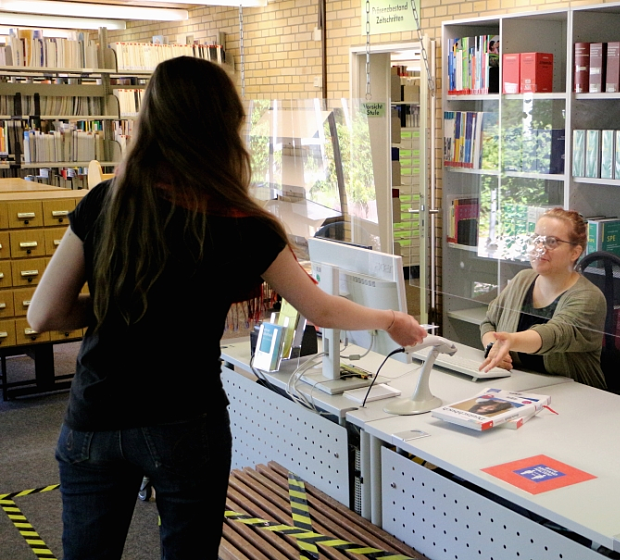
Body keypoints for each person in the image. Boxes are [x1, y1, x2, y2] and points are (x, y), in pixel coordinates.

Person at [27, 56, 426, 560]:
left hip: (96, 414)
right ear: (225, 128)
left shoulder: (107, 200)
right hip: (186, 420)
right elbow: (320, 310)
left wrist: (126, 301)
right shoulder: (243, 223)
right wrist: (390, 319)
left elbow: (43, 315)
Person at [479, 208, 607, 389]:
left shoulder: (589, 297)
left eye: (551, 242)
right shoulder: (522, 279)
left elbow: (554, 335)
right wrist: (494, 348)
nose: (540, 248)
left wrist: (510, 341)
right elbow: (489, 322)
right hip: (519, 386)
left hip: (575, 394)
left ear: (575, 252)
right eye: (536, 239)